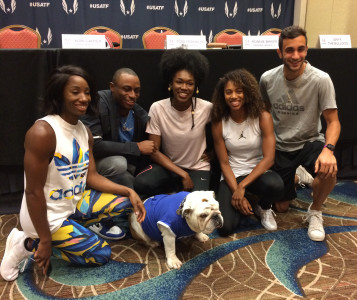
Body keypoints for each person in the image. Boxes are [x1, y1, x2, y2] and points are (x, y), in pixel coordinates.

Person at [0, 66, 146, 282]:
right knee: (101, 254)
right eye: (75, 92)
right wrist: (46, 241)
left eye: (87, 92)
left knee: (126, 203)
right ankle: (28, 243)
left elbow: (92, 176)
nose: (84, 98)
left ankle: (74, 232)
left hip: (71, 203)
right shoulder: (43, 132)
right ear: (59, 94)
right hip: (45, 217)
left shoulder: (83, 130)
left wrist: (128, 191)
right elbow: (32, 192)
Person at [259, 25, 341, 241]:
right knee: (282, 207)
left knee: (329, 170)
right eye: (289, 50)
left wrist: (328, 150)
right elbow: (264, 113)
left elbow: (333, 122)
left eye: (301, 49)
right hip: (280, 146)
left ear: (306, 50)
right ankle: (297, 177)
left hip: (310, 141)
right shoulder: (267, 78)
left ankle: (315, 211)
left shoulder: (321, 79)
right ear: (280, 53)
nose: (295, 56)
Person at [81, 68, 154, 239]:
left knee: (133, 176)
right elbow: (96, 146)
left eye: (136, 90)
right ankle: (97, 216)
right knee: (119, 164)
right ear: (112, 87)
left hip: (123, 164)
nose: (132, 95)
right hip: (89, 166)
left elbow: (155, 130)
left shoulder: (136, 111)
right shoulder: (98, 104)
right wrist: (136, 147)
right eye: (126, 89)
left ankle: (132, 212)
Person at [211, 69, 284, 236]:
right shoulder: (218, 121)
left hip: (257, 172)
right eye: (228, 92)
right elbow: (224, 163)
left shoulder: (262, 116)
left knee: (277, 185)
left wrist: (242, 187)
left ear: (247, 92)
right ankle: (240, 202)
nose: (234, 96)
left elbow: (269, 159)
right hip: (233, 173)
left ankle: (263, 207)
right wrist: (237, 190)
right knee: (225, 227)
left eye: (239, 91)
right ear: (223, 95)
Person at [134, 49, 212, 197]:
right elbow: (154, 152)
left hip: (198, 167)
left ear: (196, 87)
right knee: (141, 183)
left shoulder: (207, 108)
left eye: (190, 83)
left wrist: (213, 154)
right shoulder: (158, 108)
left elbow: (226, 131)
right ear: (171, 83)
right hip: (169, 167)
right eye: (179, 82)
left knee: (197, 204)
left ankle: (175, 192)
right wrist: (183, 174)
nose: (184, 87)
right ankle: (171, 192)